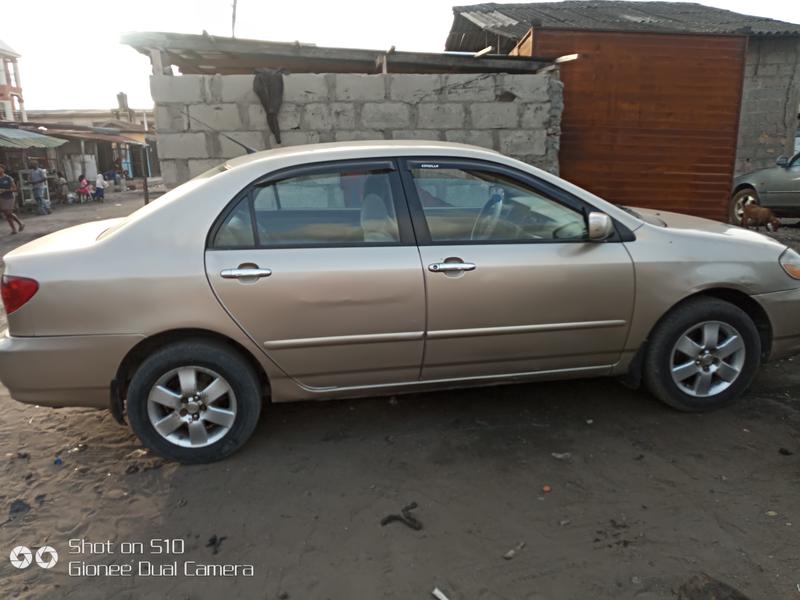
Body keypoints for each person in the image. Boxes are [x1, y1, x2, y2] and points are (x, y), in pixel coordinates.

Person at [0, 164, 24, 234]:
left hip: (9, 197)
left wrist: (5, 190)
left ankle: (20, 223)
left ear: (3, 169)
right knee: (6, 214)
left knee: (9, 212)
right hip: (1, 198)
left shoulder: (8, 178)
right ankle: (14, 229)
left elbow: (15, 188)